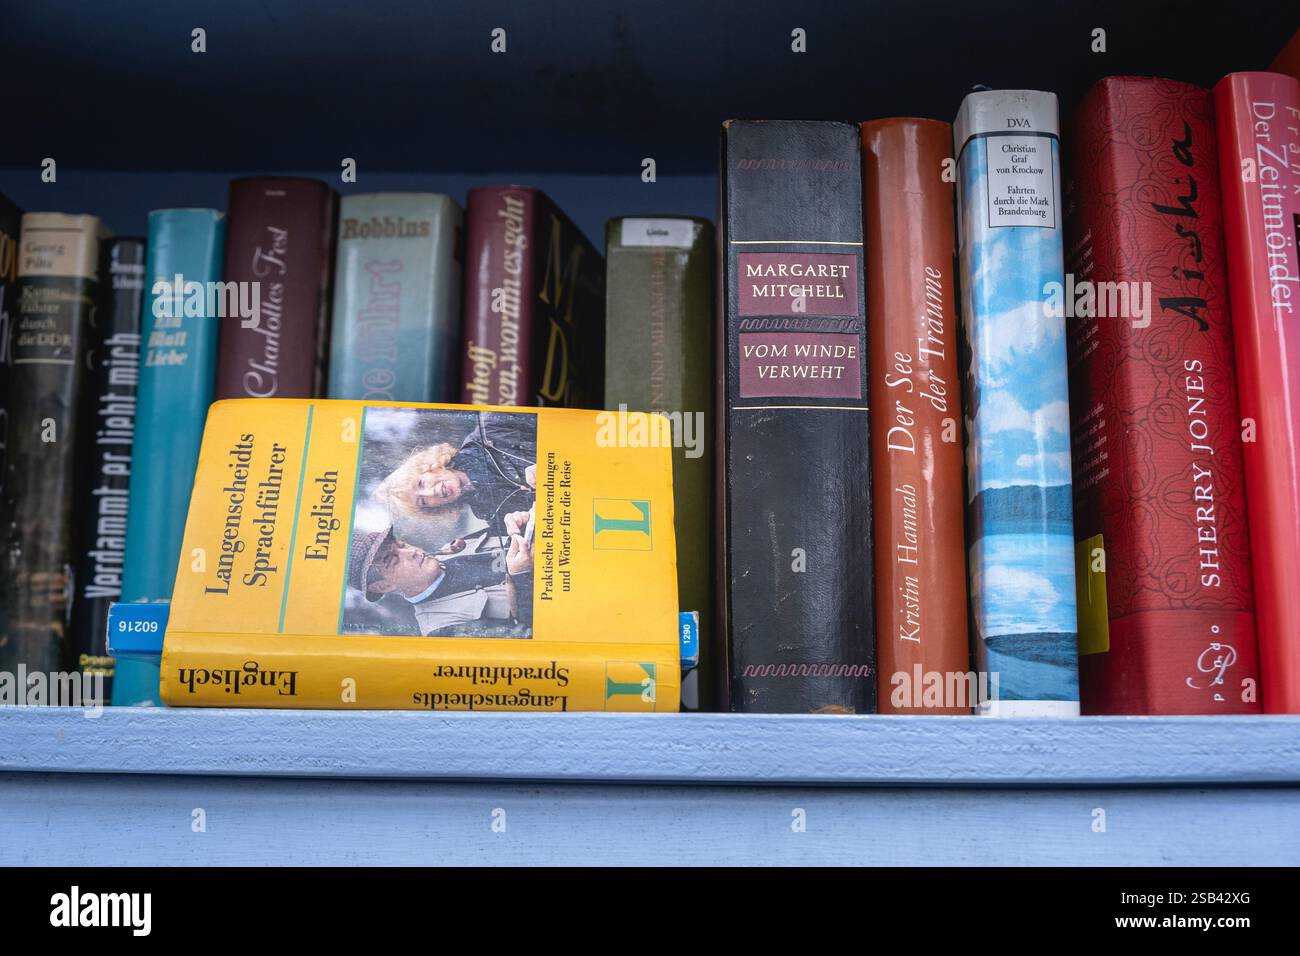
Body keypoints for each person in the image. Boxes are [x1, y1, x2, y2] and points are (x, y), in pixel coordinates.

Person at [348, 522, 533, 637]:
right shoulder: (440, 629)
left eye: (401, 545)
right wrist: (521, 577)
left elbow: (516, 534)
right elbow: (529, 640)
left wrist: (519, 520)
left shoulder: (454, 546)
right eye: (393, 560)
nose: (411, 552)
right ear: (383, 586)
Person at [374, 411, 536, 537]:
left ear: (430, 466)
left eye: (421, 484)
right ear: (433, 509)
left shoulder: (492, 426)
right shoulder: (499, 520)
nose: (432, 492)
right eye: (423, 501)